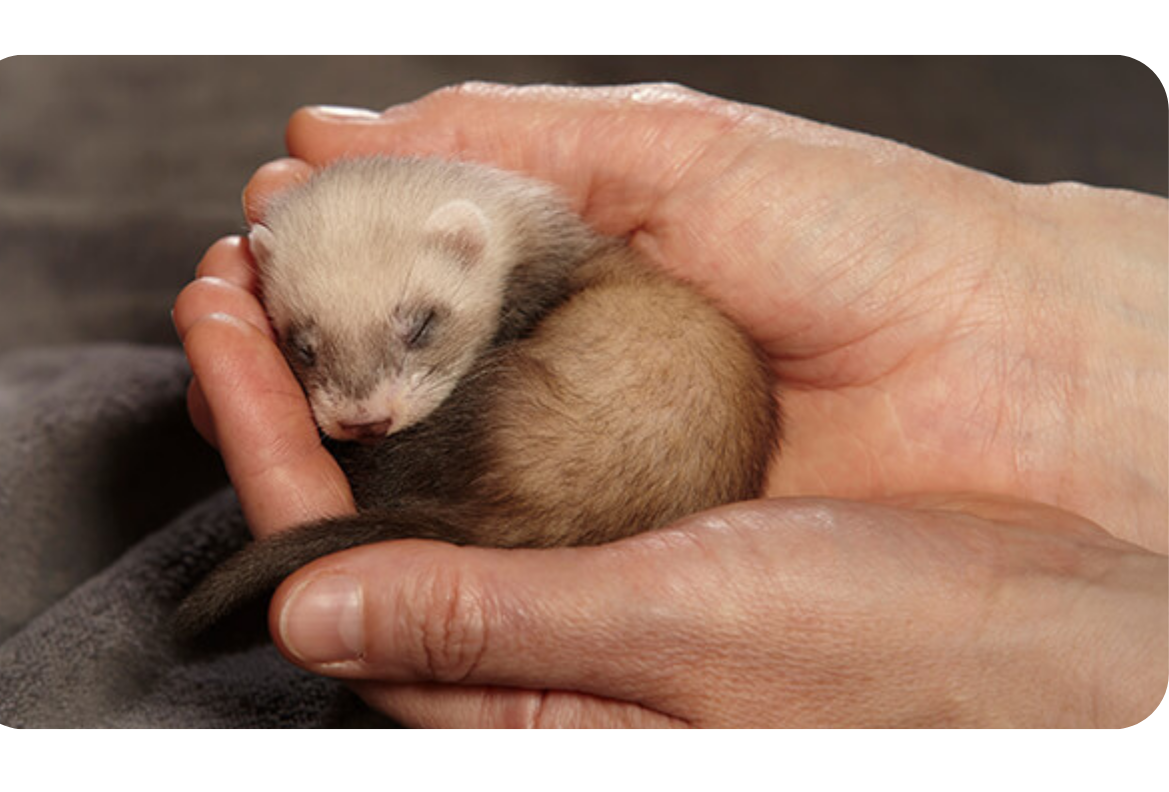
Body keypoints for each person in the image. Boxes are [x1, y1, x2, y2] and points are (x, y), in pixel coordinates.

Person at [173, 83, 1168, 728]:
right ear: (273, 280)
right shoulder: (497, 276)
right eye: (308, 347)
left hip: (535, 463)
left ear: (471, 246)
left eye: (418, 332)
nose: (361, 401)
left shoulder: (544, 277)